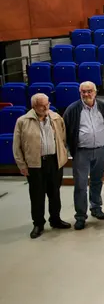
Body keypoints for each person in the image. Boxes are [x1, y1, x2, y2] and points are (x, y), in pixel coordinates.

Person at [13, 93, 70, 238]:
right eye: (41, 105)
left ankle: (55, 219)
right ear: (34, 106)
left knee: (55, 193)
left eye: (47, 104)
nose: (45, 107)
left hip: (54, 161)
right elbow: (17, 146)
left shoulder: (56, 118)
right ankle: (38, 223)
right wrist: (22, 165)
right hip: (35, 164)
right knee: (37, 195)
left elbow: (62, 138)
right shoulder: (23, 121)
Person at [63, 81, 104, 230]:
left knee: (97, 181)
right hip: (82, 152)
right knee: (81, 185)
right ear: (80, 93)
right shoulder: (73, 109)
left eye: (89, 91)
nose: (86, 94)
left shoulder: (103, 107)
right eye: (83, 91)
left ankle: (96, 208)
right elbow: (67, 130)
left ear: (95, 92)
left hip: (100, 150)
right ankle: (80, 216)